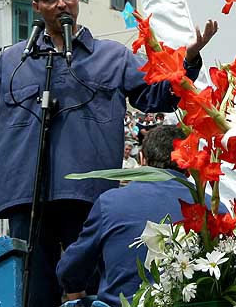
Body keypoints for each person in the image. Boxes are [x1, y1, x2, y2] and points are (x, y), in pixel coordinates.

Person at [0, 0, 218, 307]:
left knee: (93, 291)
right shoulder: (14, 61)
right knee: (34, 295)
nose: (62, 3)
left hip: (88, 195)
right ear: (36, 7)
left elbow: (157, 96)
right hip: (26, 195)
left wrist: (189, 62)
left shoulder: (113, 57)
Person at [56, 126, 210, 306]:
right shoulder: (214, 208)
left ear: (142, 159)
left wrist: (75, 288)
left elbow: (70, 270)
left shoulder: (111, 202)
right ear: (189, 165)